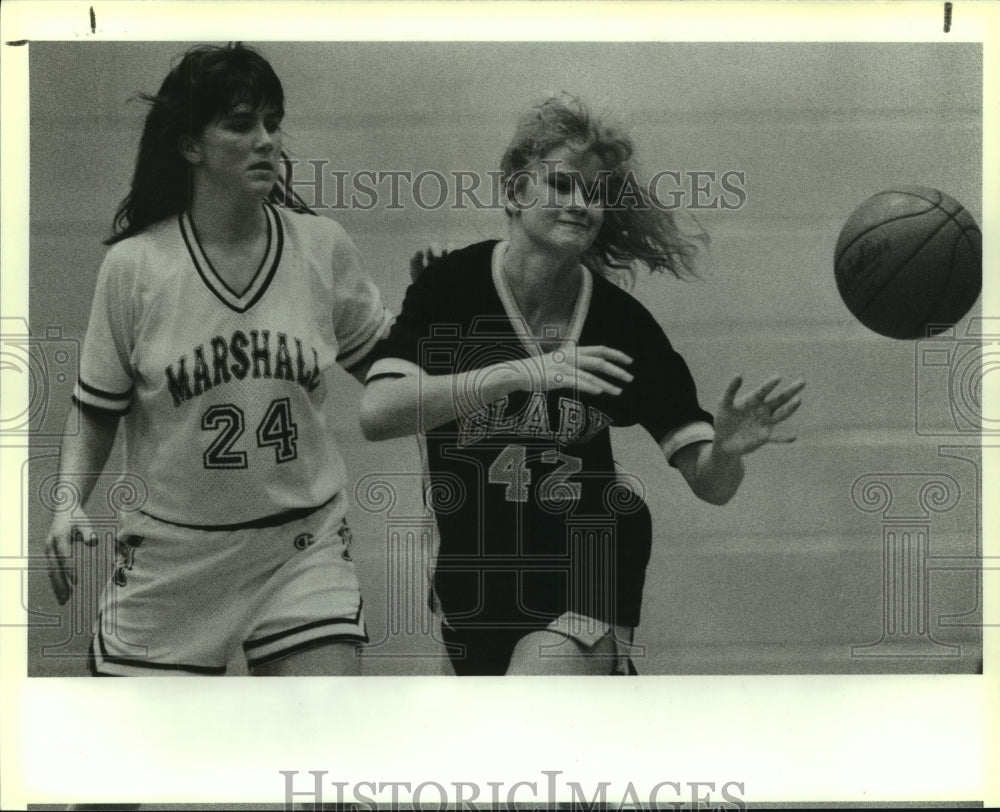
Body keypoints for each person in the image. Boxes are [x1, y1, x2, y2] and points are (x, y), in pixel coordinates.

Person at [359, 96, 805, 676]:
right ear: (516, 192)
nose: (582, 204)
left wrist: (724, 450)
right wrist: (524, 374)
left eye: (594, 194)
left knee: (531, 715)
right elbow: (377, 413)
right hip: (472, 596)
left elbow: (712, 485)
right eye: (563, 186)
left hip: (585, 576)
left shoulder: (620, 324)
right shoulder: (452, 287)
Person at [44, 43, 393, 677]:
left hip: (300, 544)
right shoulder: (136, 267)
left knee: (324, 737)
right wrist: (69, 502)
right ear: (189, 146)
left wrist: (446, 315)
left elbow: (392, 375)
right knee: (144, 770)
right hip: (174, 559)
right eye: (239, 124)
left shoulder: (322, 247)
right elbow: (96, 410)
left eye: (272, 123)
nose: (266, 140)